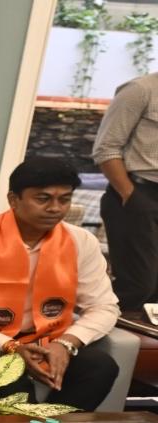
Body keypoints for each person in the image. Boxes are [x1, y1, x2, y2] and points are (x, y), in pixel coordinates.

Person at [0, 157, 121, 411]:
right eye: (43, 199)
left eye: (64, 199)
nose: (55, 208)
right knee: (9, 378)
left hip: (51, 339)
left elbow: (105, 306)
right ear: (13, 199)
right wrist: (11, 347)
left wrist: (66, 343)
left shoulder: (81, 242)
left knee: (100, 366)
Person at [93, 71, 158, 310]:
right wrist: (130, 196)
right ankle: (108, 339)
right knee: (139, 285)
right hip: (138, 195)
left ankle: (146, 346)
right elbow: (106, 149)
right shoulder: (140, 90)